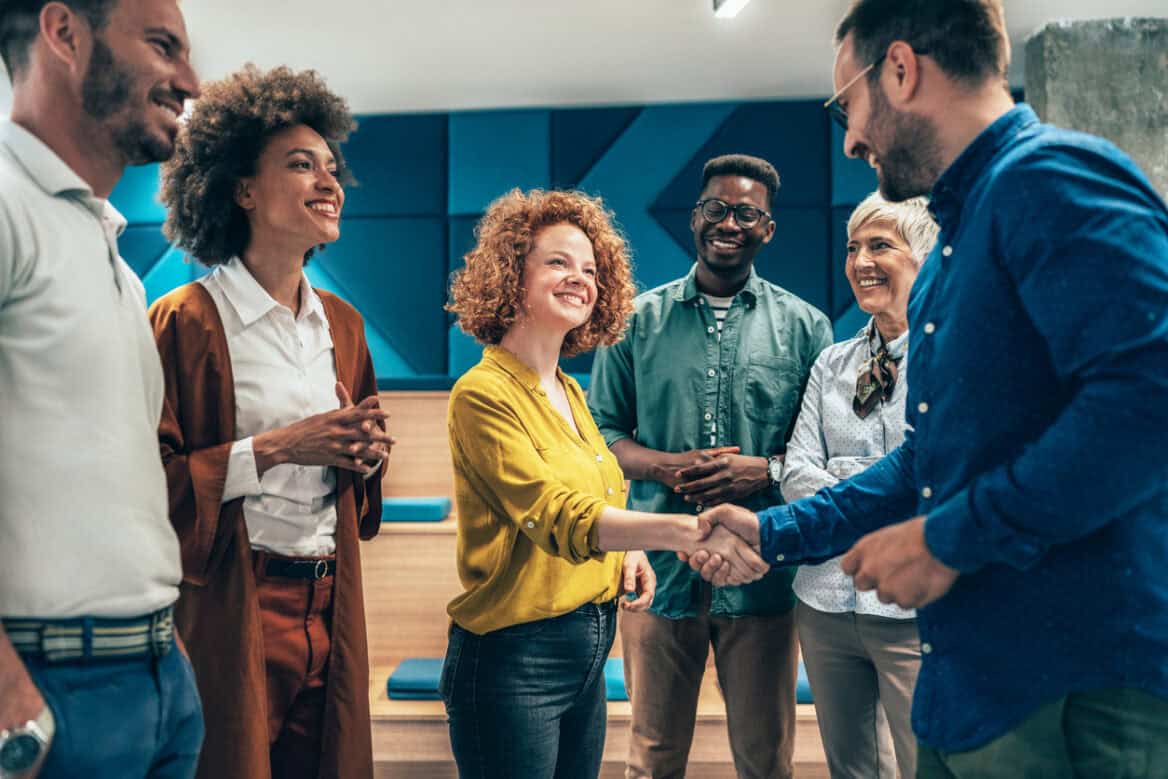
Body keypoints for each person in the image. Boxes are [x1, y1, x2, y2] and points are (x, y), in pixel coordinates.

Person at [690, 0, 1168, 775]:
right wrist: (775, 532)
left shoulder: (1053, 179)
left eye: (846, 104)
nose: (849, 137)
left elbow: (1149, 402)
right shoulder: (950, 248)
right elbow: (930, 460)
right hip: (975, 683)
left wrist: (948, 536)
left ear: (902, 70)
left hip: (1077, 689)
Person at [442, 187, 770, 779]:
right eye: (559, 262)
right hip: (514, 658)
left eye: (591, 268)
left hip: (588, 647)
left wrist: (631, 550)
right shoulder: (482, 393)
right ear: (511, 274)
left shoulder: (568, 389)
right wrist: (687, 531)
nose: (580, 278)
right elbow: (554, 513)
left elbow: (597, 494)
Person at [149, 65, 392, 779]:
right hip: (234, 608)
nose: (329, 182)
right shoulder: (184, 322)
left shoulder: (343, 326)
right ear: (242, 189)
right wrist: (284, 445)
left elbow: (358, 483)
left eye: (331, 167)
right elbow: (149, 487)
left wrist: (364, 457)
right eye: (300, 164)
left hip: (331, 600)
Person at [0, 1, 203, 777]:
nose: (189, 80)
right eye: (163, 47)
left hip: (152, 674)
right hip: (48, 685)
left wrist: (163, 644)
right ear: (63, 33)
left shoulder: (110, 252)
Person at [588, 154, 833, 779]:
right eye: (716, 209)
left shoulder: (808, 329)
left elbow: (820, 454)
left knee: (766, 758)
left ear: (767, 229)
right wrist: (669, 467)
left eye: (747, 213)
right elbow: (602, 437)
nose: (730, 222)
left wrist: (764, 469)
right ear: (695, 218)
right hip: (659, 576)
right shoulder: (633, 322)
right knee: (652, 756)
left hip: (764, 578)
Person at [781, 191, 937, 778]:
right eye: (852, 248)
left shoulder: (949, 357)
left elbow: (933, 484)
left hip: (913, 606)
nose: (861, 261)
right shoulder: (832, 364)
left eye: (880, 246)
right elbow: (795, 473)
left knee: (928, 763)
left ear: (922, 257)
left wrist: (844, 480)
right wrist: (877, 488)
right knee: (852, 767)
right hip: (823, 598)